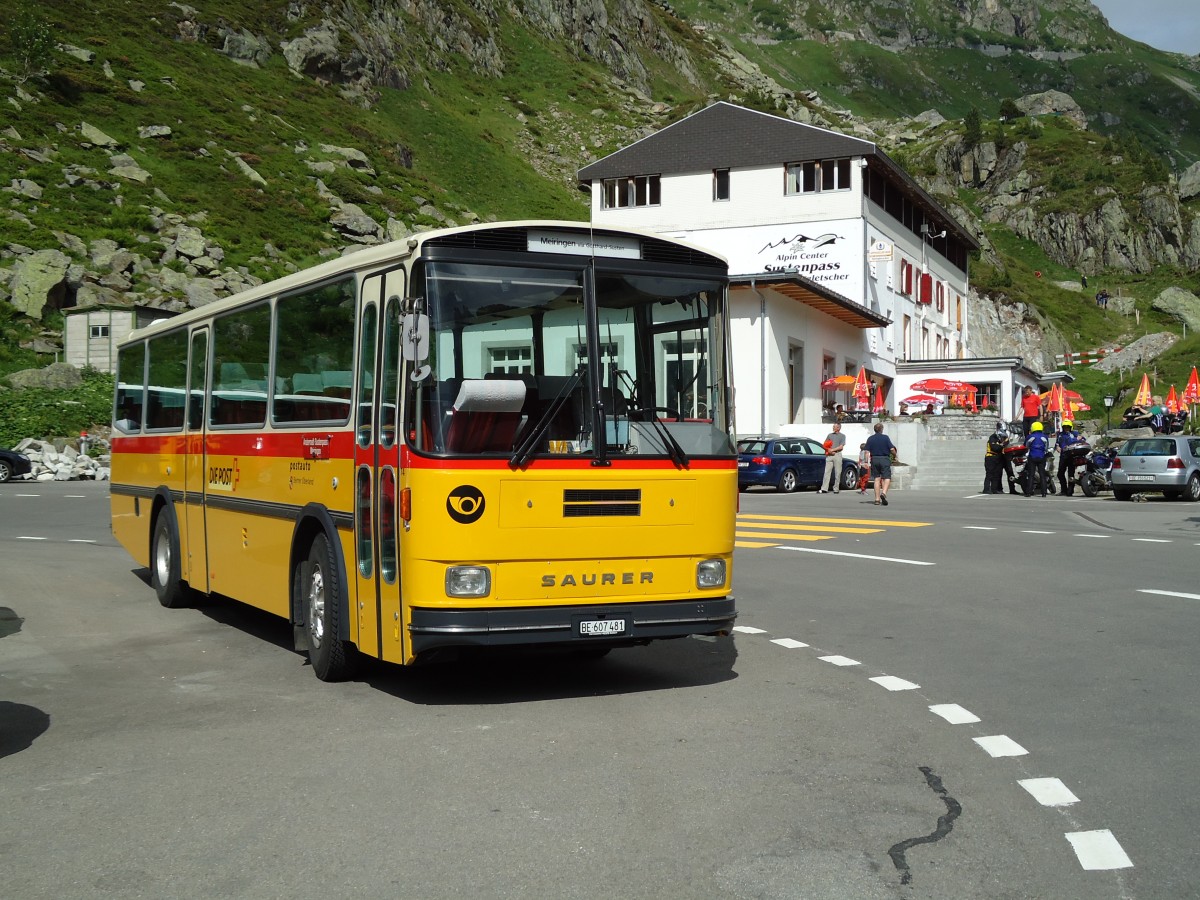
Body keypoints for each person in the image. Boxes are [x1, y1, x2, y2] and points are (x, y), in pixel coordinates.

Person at [864, 422, 897, 506]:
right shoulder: (885, 438)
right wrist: (894, 454)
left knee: (876, 479)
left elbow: (866, 452)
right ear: (882, 429)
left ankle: (877, 499)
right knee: (887, 477)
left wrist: (865, 462)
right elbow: (892, 449)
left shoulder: (870, 438)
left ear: (874, 430)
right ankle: (884, 493)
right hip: (884, 459)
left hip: (874, 459)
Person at [1055, 419, 1082, 496]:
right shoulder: (1060, 434)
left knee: (1071, 474)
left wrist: (1076, 439)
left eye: (1068, 427)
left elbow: (1081, 440)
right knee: (1060, 474)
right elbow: (1057, 443)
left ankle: (1070, 491)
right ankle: (1063, 490)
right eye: (1065, 427)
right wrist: (1057, 447)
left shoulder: (1075, 434)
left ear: (1071, 427)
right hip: (1063, 456)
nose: (1066, 428)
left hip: (1071, 456)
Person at [820, 422, 846, 493]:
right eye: (833, 426)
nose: (833, 428)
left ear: (838, 428)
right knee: (827, 472)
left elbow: (841, 447)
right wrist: (829, 451)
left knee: (838, 472)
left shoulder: (842, 436)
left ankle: (836, 488)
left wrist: (833, 450)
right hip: (829, 455)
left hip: (837, 455)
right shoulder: (830, 435)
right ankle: (824, 488)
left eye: (834, 427)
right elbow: (824, 445)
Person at [1024, 421, 1049, 497]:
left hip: (1032, 456)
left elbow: (1026, 445)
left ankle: (1028, 492)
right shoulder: (1044, 436)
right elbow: (1046, 447)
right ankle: (1044, 493)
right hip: (1041, 456)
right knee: (1042, 475)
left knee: (1031, 475)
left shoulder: (1030, 436)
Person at [983, 421, 1008, 494]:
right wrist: (1001, 445)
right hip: (990, 457)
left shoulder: (1004, 438)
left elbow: (1006, 445)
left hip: (999, 457)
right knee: (989, 474)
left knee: (997, 474)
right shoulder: (993, 437)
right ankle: (986, 489)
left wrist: (1003, 444)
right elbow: (995, 448)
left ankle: (995, 489)